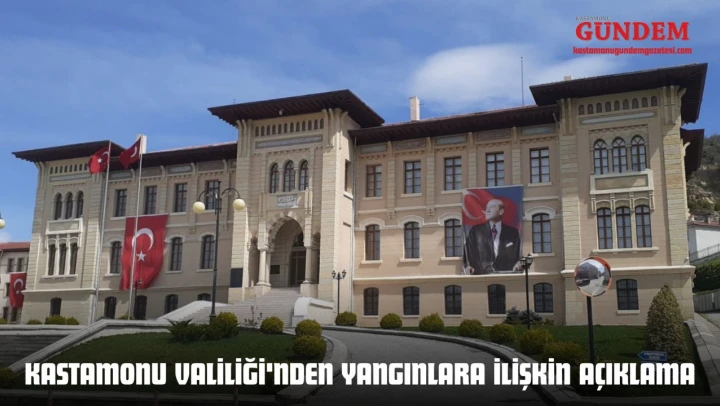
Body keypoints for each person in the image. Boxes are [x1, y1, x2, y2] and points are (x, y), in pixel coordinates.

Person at [464, 199, 521, 274]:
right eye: (487, 207)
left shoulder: (513, 232)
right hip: (482, 275)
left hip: (506, 275)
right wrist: (467, 266)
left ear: (501, 211)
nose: (487, 210)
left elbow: (518, 255)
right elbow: (467, 251)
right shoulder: (476, 231)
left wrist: (518, 264)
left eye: (492, 207)